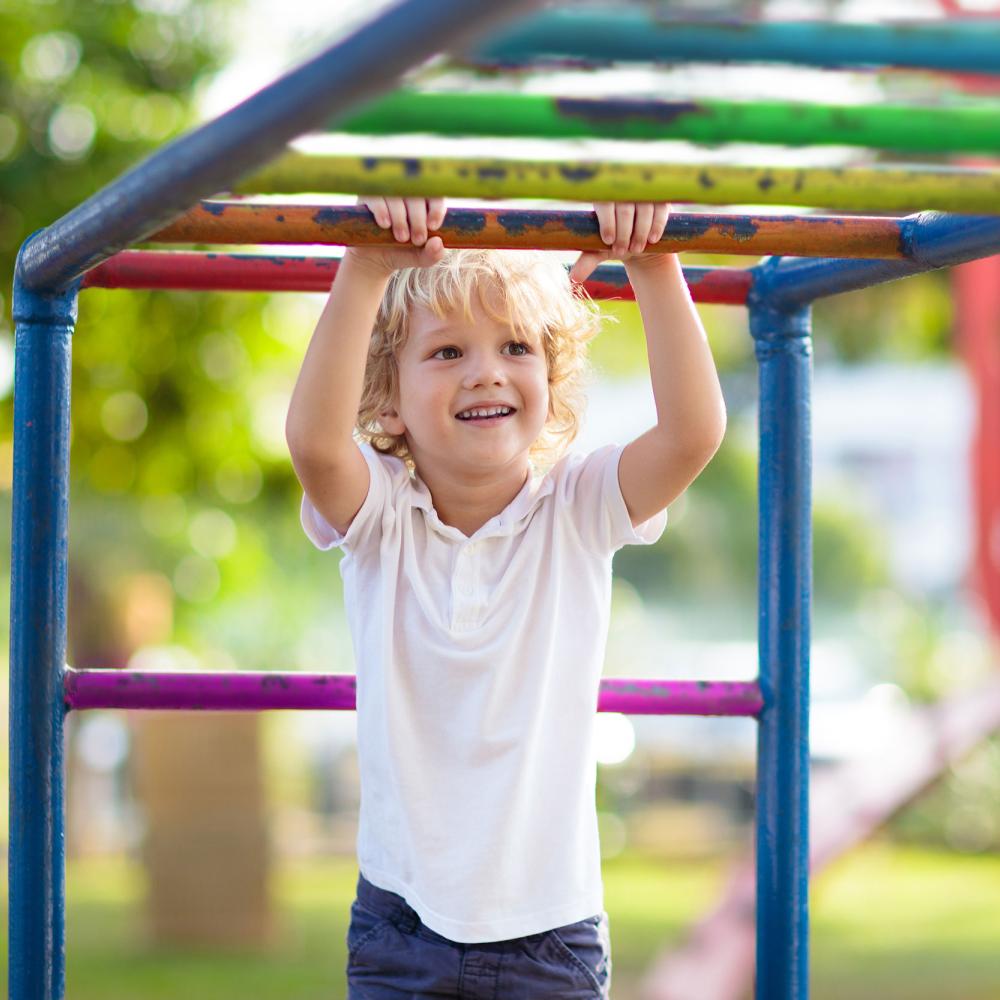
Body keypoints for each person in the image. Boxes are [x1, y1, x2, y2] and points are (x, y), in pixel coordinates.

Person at [285, 195, 726, 999]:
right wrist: (365, 266)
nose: (487, 369)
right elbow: (315, 444)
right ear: (387, 399)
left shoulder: (580, 506)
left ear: (550, 385)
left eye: (516, 346)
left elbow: (693, 432)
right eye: (447, 352)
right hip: (402, 923)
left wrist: (654, 262)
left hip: (549, 932)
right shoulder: (379, 512)